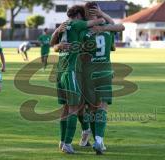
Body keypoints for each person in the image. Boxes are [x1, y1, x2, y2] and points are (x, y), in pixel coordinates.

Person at [50, 5, 105, 154]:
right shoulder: (77, 23)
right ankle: (68, 144)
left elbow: (52, 44)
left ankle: (62, 141)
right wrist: (99, 15)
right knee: (74, 108)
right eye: (85, 15)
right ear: (80, 15)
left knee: (66, 109)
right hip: (70, 71)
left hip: (60, 71)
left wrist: (56, 34)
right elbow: (98, 21)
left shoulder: (64, 26)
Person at [79, 2, 125, 155]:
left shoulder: (83, 30)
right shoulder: (107, 29)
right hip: (105, 72)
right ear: (97, 12)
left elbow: (80, 55)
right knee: (103, 107)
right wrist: (103, 15)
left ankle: (95, 139)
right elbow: (120, 26)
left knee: (91, 109)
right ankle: (99, 140)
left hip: (88, 74)